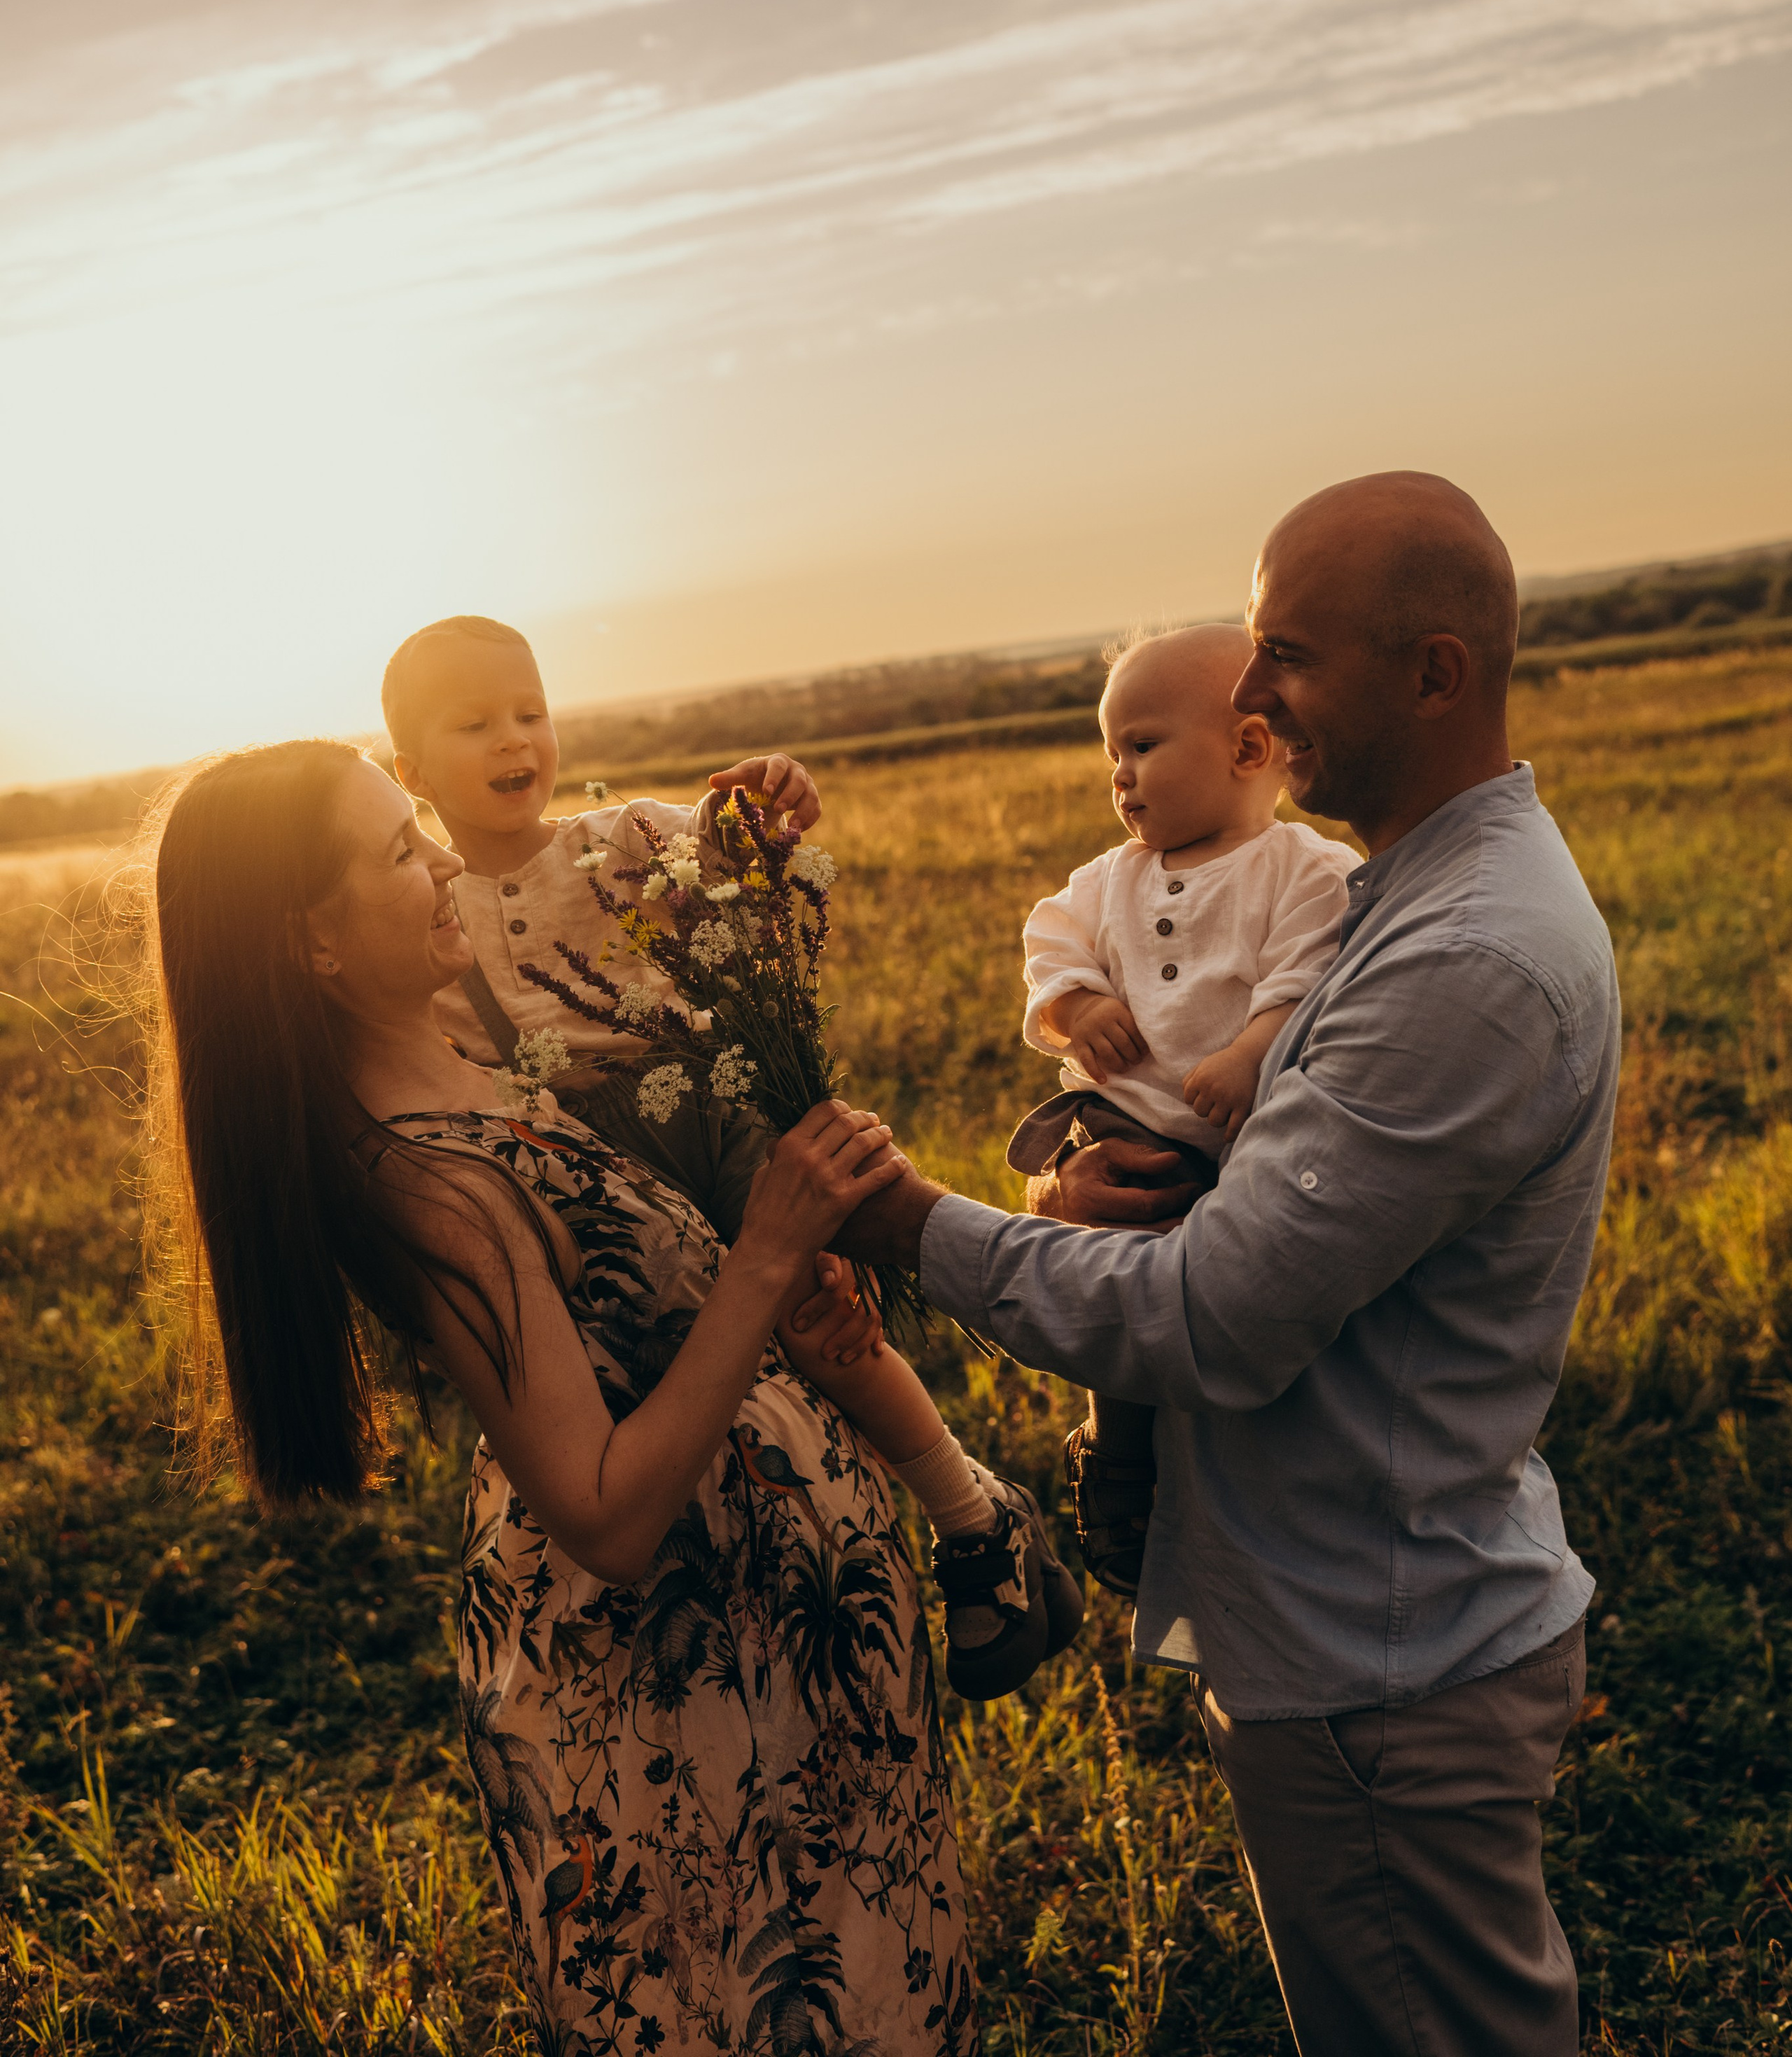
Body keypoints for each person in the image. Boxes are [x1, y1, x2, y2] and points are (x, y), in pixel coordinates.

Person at [839, 473, 1620, 2057]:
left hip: (1374, 1668)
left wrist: (899, 1219)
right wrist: (1072, 1189)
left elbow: (1209, 1321)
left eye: (1289, 654)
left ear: (1433, 674)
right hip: (1348, 1622)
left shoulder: (1457, 958)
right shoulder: (1400, 903)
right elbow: (1245, 1200)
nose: (1251, 698)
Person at [145, 737, 985, 2053]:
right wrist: (760, 1255)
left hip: (778, 1689)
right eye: (393, 851)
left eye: (418, 827)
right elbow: (600, 1513)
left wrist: (767, 1305)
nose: (437, 865)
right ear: (308, 945)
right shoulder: (431, 1182)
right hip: (686, 1727)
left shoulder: (482, 1074)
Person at [380, 613, 1082, 1697]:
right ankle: (741, 1580)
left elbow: (737, 850)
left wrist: (770, 800)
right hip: (582, 1166)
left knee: (813, 1313)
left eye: (531, 712)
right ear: (410, 771)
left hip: (706, 1112)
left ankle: (972, 1514)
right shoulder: (428, 909)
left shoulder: (615, 842)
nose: (516, 738)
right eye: (476, 724)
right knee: (668, 1370)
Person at [1008, 623, 1351, 1594]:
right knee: (1117, 1290)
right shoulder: (1109, 878)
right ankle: (1116, 1454)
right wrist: (1079, 1005)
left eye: (1144, 745)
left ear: (1248, 748)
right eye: (1111, 752)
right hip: (1123, 1125)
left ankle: (1235, 1488)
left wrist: (1251, 1049)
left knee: (1220, 1311)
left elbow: (1307, 970)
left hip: (1242, 1138)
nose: (1120, 775)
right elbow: (1053, 937)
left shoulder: (1302, 870)